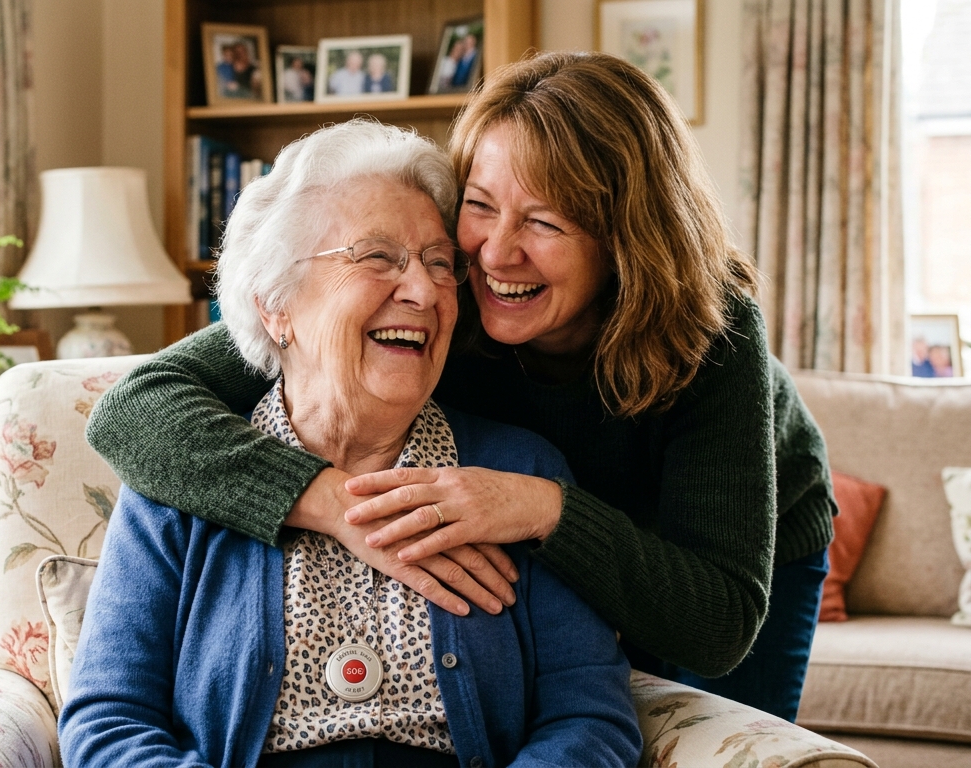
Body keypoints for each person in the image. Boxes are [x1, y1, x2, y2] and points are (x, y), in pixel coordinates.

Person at [87, 51, 838, 723]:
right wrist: (330, 504)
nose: (496, 253)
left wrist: (541, 506)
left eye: (544, 221)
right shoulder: (438, 284)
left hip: (732, 550)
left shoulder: (710, 328)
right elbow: (134, 409)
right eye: (479, 206)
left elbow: (716, 625)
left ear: (624, 238)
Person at [61, 119, 641, 768]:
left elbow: (589, 719)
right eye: (377, 257)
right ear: (276, 306)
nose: (423, 291)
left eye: (440, 264)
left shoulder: (519, 473)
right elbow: (108, 723)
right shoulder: (179, 477)